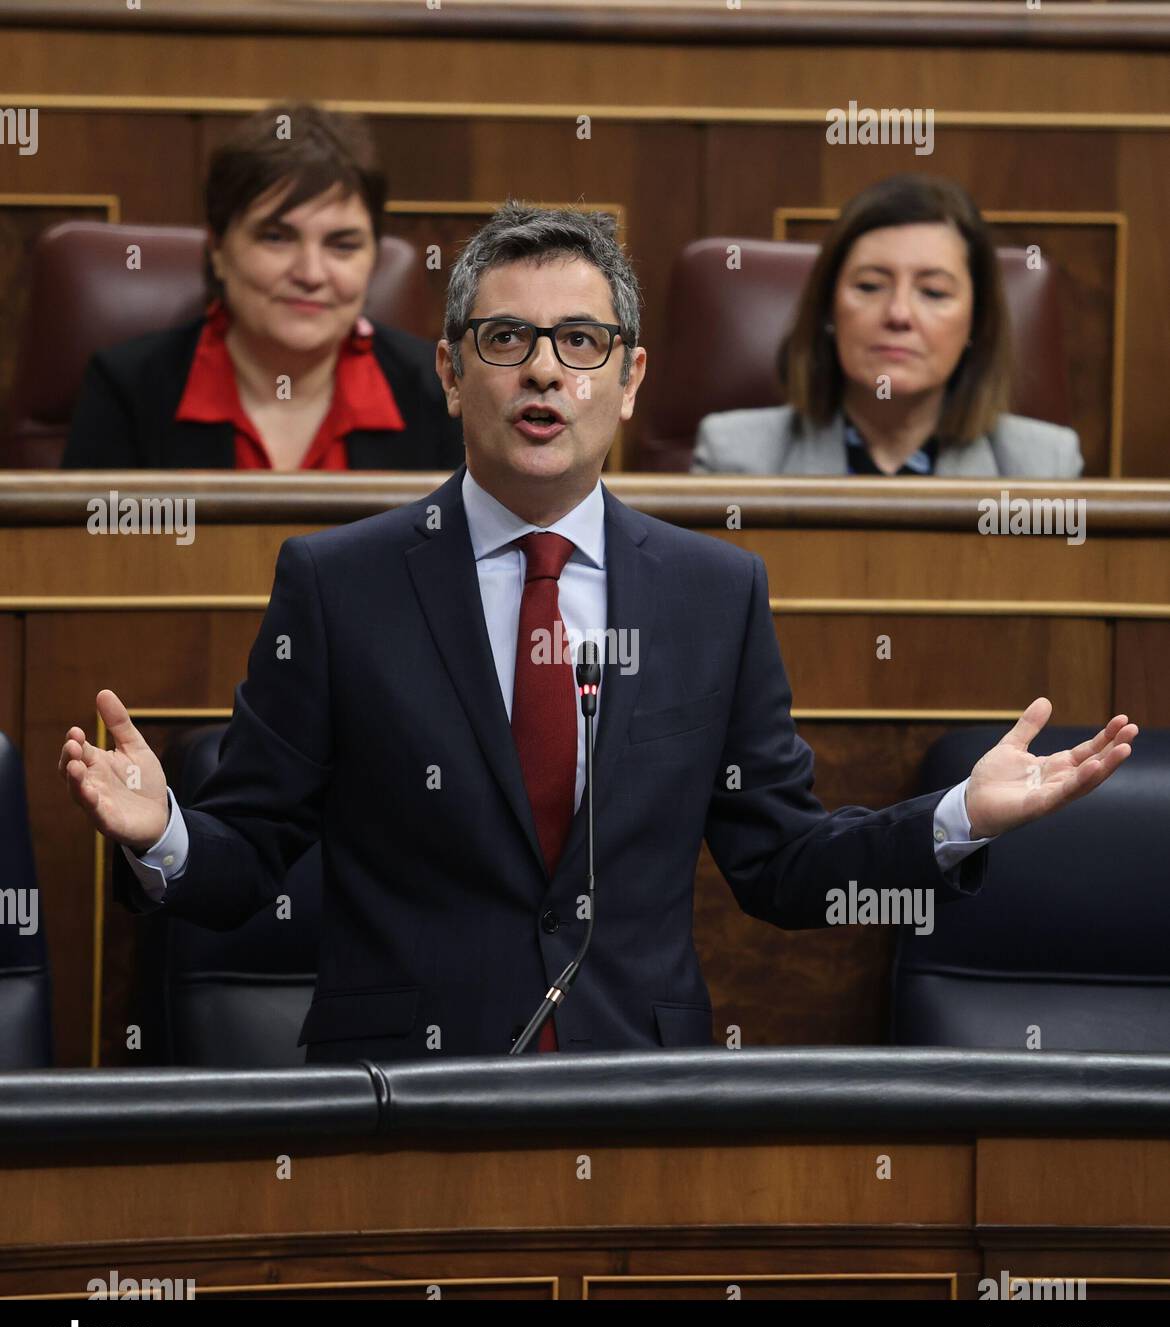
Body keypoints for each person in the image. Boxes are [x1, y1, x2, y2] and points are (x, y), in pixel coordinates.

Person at [59, 201, 1134, 1063]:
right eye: (505, 338)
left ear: (630, 380)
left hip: (638, 1091)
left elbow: (784, 863)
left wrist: (957, 817)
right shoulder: (339, 584)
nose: (542, 370)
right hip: (397, 1103)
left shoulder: (715, 593)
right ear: (448, 371)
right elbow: (247, 867)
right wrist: (164, 834)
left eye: (580, 341)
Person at [61, 104, 462, 472]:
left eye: (342, 245)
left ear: (373, 258)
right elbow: (89, 550)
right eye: (276, 238)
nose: (310, 274)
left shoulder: (443, 393)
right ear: (218, 249)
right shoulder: (127, 390)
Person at [692, 174, 1083, 478]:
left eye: (932, 292)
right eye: (870, 286)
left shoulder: (1043, 466)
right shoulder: (735, 455)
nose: (898, 314)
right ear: (828, 309)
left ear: (975, 323)